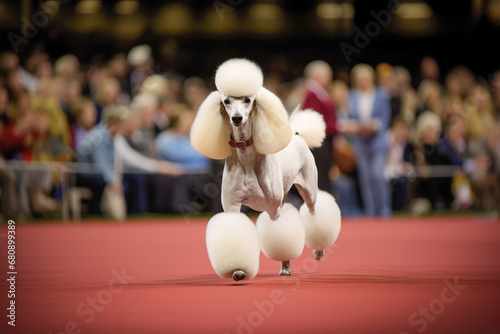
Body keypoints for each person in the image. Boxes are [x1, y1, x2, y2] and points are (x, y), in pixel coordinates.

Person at [349, 64, 392, 216]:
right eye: (360, 79)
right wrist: (357, 127)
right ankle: (370, 211)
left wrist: (374, 125)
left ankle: (384, 210)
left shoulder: (381, 94)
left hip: (377, 141)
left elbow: (385, 118)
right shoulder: (352, 96)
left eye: (365, 78)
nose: (363, 82)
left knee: (378, 175)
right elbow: (351, 117)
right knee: (365, 178)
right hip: (361, 141)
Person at [302, 60, 337, 191]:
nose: (329, 78)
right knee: (320, 176)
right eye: (326, 74)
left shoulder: (318, 91)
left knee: (323, 175)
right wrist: (337, 127)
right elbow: (315, 118)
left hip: (325, 138)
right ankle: (319, 207)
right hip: (320, 141)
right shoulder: (312, 92)